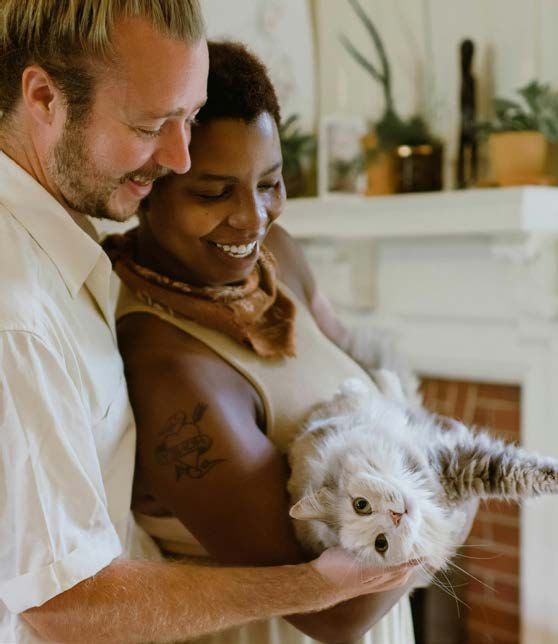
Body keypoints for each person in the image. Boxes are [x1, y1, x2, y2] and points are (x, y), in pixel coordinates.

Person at [0, 3, 413, 642]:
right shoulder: (18, 314)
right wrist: (316, 584)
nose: (178, 155)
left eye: (188, 118)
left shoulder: (71, 247)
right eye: (151, 124)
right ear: (44, 98)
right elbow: (66, 602)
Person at [108, 41, 464, 644]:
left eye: (270, 183)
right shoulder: (170, 370)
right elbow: (332, 613)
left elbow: (353, 356)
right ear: (149, 185)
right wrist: (454, 482)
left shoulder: (277, 260)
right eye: (214, 192)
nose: (253, 217)